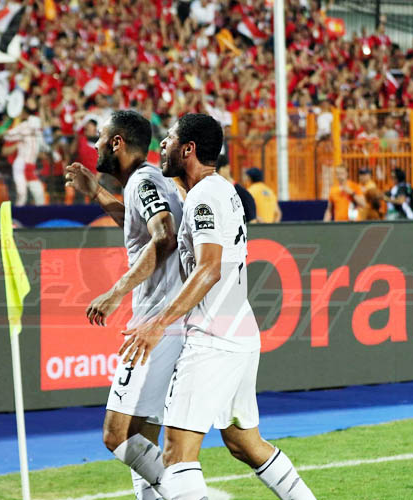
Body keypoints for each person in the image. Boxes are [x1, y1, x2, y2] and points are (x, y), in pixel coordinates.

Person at [121, 113, 316, 500]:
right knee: (245, 443)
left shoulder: (204, 197)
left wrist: (158, 323)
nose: (163, 144)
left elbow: (209, 268)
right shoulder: (220, 190)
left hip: (213, 338)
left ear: (188, 149)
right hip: (239, 333)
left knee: (176, 455)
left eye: (170, 138)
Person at [64, 110, 184, 500]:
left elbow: (164, 236)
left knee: (116, 435)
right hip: (171, 321)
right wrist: (97, 194)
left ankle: (189, 494)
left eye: (100, 138)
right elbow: (139, 225)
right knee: (142, 435)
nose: (96, 144)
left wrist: (115, 291)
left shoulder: (143, 182)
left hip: (155, 325)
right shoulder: (146, 182)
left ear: (117, 142)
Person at [4, 97, 46, 206]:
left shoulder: (38, 131)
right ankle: (18, 213)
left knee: (39, 193)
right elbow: (7, 136)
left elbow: (42, 138)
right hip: (21, 165)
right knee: (22, 194)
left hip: (30, 166)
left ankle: (42, 214)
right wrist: (19, 137)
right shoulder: (24, 126)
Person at [217, 155, 256, 223]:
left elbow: (252, 222)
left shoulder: (243, 194)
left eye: (218, 171)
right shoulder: (215, 193)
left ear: (227, 168)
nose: (216, 175)